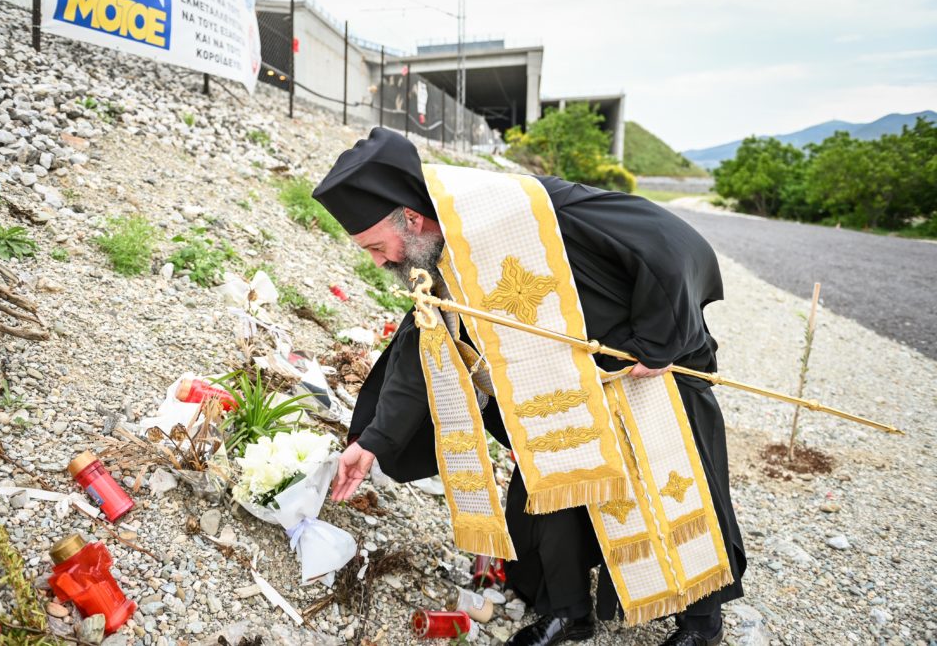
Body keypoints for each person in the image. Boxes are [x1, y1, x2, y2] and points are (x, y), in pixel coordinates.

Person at [314, 128, 746, 646]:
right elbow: (421, 353)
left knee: (675, 487)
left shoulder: (520, 207)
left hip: (639, 374)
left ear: (411, 218)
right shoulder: (433, 258)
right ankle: (569, 612)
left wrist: (659, 340)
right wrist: (372, 442)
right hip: (553, 398)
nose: (380, 262)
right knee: (547, 491)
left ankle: (702, 624)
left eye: (377, 247)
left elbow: (670, 241)